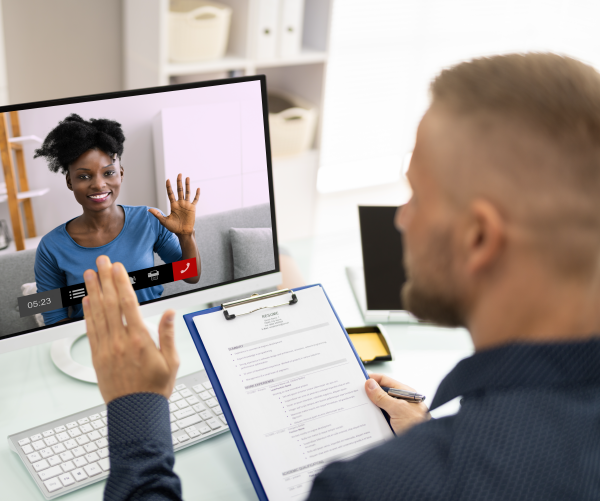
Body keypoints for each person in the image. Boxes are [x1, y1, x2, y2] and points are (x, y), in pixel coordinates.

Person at [81, 52, 600, 500]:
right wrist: (429, 435)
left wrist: (135, 405)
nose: (401, 218)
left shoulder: (378, 487)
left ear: (479, 238)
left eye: (417, 194)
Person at [33, 114, 201, 324]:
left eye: (109, 173)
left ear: (120, 174)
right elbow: (54, 319)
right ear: (70, 181)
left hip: (151, 329)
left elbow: (191, 275)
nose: (98, 184)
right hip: (93, 342)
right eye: (84, 176)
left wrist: (186, 236)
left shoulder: (149, 219)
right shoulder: (51, 246)